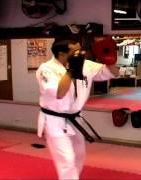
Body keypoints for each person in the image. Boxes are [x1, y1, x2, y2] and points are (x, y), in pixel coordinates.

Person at [35, 38, 119, 179]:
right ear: (62, 54)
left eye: (80, 50)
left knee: (79, 155)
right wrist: (71, 71)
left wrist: (110, 59)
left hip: (75, 119)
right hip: (54, 121)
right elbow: (59, 93)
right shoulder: (46, 70)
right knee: (66, 160)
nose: (81, 54)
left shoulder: (85, 65)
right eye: (75, 52)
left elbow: (113, 73)